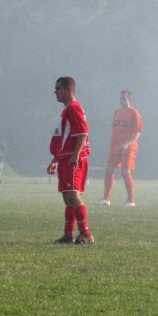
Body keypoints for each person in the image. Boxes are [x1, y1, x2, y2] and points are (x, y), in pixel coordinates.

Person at [47, 77, 94, 244]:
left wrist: (75, 155)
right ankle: (68, 236)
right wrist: (55, 159)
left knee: (73, 195)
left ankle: (86, 234)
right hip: (66, 157)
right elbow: (64, 138)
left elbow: (83, 133)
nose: (55, 92)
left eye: (58, 88)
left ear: (68, 89)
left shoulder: (74, 108)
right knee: (67, 197)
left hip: (74, 159)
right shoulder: (66, 109)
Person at [96, 90, 143, 207]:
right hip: (115, 146)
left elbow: (138, 132)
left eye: (124, 98)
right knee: (109, 170)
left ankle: (130, 200)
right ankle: (106, 199)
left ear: (129, 100)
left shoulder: (134, 113)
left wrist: (127, 144)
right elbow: (115, 129)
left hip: (128, 147)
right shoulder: (117, 112)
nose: (122, 100)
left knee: (125, 172)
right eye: (121, 98)